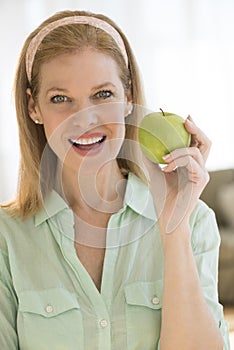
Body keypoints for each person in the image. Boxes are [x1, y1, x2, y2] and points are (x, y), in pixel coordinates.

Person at [0, 9, 230, 350]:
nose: (84, 119)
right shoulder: (8, 236)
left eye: (103, 95)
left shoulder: (194, 223)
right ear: (34, 107)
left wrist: (173, 227)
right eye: (60, 99)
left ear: (129, 97)